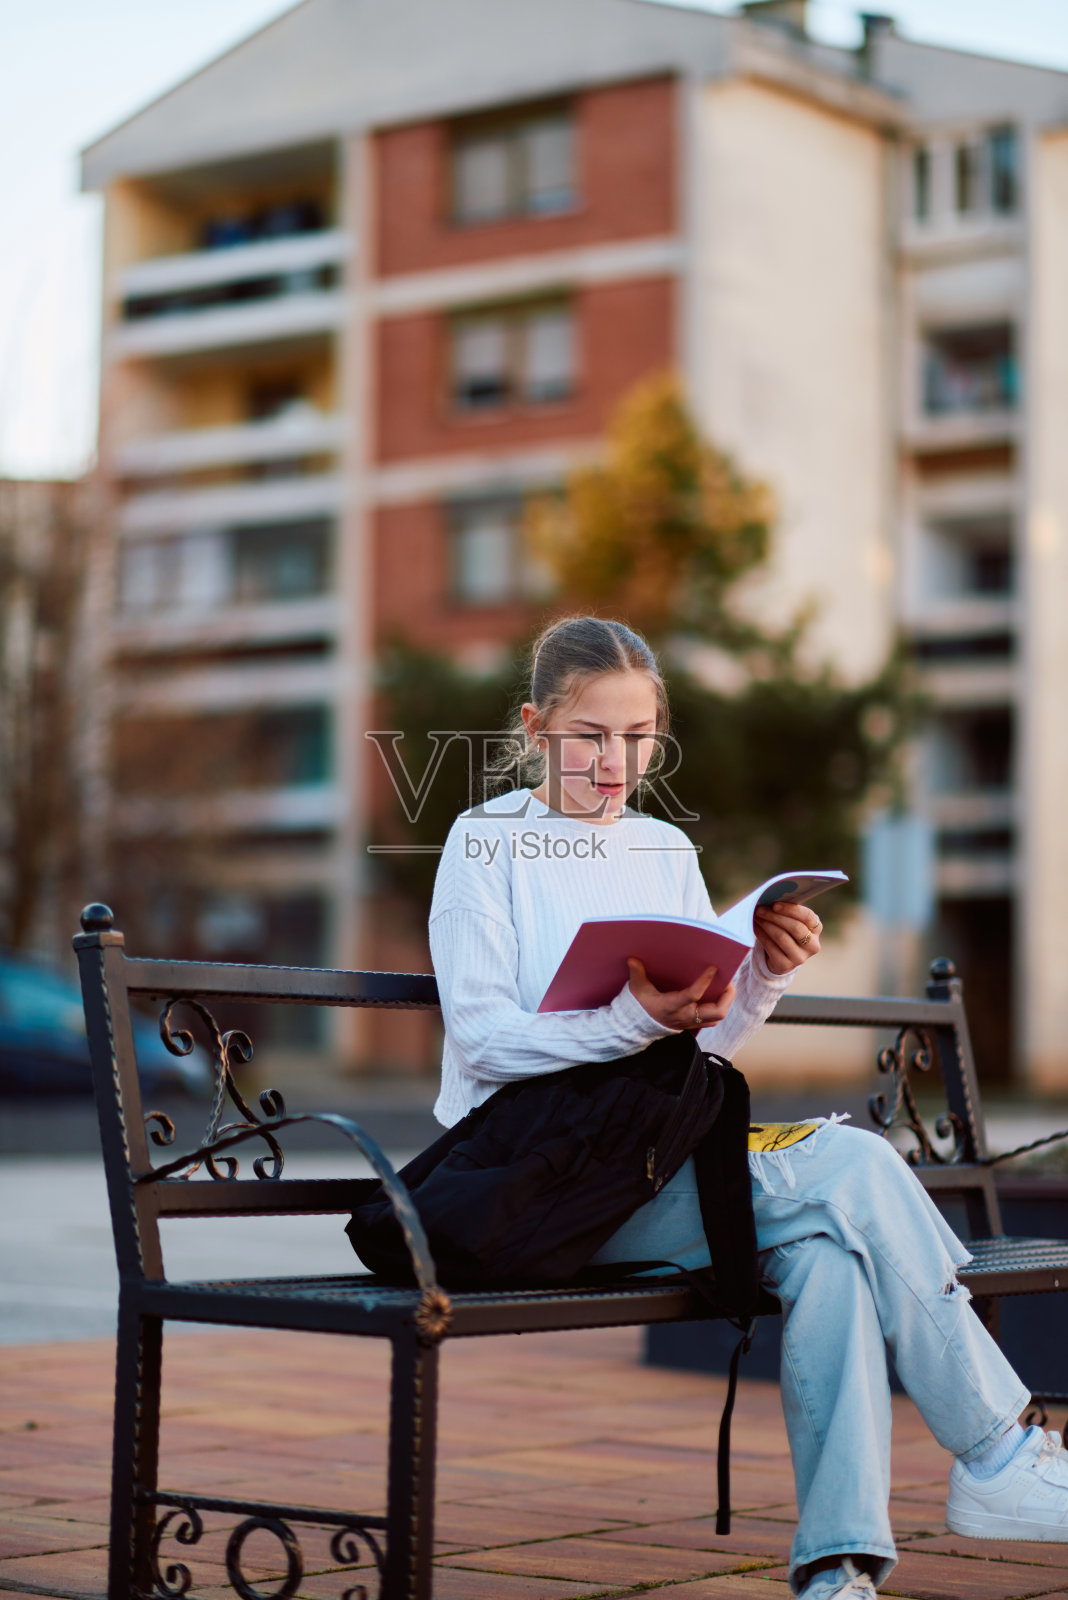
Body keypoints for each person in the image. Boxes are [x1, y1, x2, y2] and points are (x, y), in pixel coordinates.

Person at [426, 614, 1068, 1600]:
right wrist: (626, 1022)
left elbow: (701, 1045)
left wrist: (757, 977)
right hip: (541, 1188)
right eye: (592, 735)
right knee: (855, 1166)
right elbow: (482, 1040)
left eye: (639, 739)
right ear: (536, 726)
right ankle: (997, 1449)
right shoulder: (486, 842)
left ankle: (838, 1572)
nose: (615, 761)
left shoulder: (661, 848)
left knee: (831, 1262)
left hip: (652, 1160)